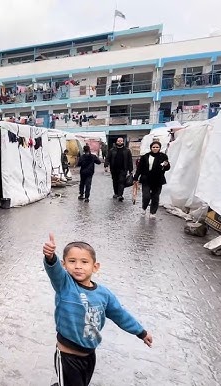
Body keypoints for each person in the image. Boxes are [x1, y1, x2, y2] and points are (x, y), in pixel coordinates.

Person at [42, 234, 153, 386]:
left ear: (95, 267)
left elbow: (120, 314)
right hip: (67, 357)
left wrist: (141, 332)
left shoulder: (104, 294)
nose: (78, 266)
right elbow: (54, 271)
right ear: (64, 264)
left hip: (89, 355)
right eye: (72, 261)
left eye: (84, 262)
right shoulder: (64, 285)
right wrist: (50, 257)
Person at [133, 141, 170, 219]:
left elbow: (167, 168)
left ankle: (153, 212)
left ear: (160, 148)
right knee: (146, 196)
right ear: (151, 148)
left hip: (158, 180)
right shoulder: (145, 157)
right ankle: (144, 207)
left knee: (155, 197)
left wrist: (166, 165)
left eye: (157, 147)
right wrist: (136, 177)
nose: (155, 149)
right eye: (154, 147)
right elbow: (139, 168)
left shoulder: (163, 156)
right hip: (146, 179)